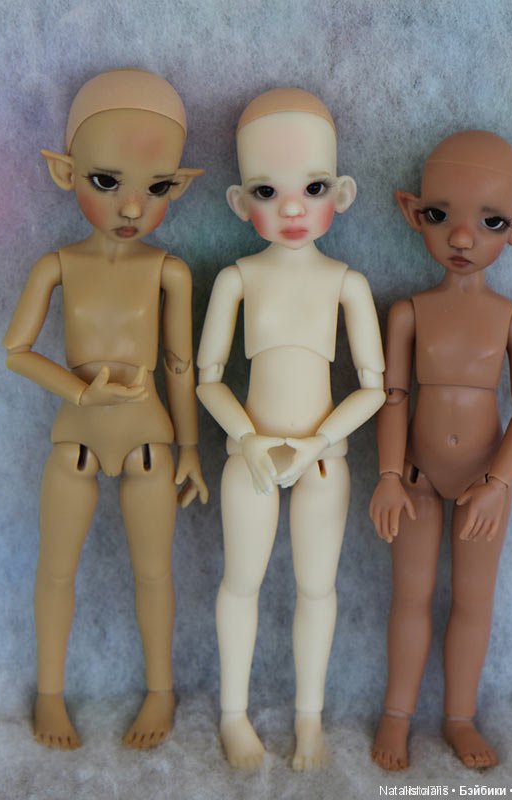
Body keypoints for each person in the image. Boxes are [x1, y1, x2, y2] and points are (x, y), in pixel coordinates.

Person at [3, 69, 208, 750]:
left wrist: (190, 449)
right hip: (77, 442)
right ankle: (49, 694)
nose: (132, 207)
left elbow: (179, 366)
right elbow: (16, 351)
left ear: (177, 186)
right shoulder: (55, 265)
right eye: (106, 181)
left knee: (155, 572)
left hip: (150, 445)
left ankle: (161, 690)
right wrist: (80, 392)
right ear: (66, 173)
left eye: (156, 188)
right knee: (56, 569)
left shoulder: (169, 270)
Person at [197, 88, 385, 770]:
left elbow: (374, 388)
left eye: (313, 188)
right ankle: (234, 716)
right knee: (239, 583)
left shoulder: (346, 283)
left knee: (317, 588)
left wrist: (317, 443)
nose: (294, 209)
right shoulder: (238, 279)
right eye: (267, 191)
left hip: (323, 462)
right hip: (250, 458)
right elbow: (208, 378)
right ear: (239, 202)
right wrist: (249, 439)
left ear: (343, 192)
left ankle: (311, 721)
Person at [369, 130, 512, 770]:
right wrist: (389, 474)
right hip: (416, 479)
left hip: (481, 483)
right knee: (410, 597)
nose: (463, 238)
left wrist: (497, 483)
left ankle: (459, 716)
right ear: (413, 211)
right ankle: (396, 714)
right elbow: (393, 396)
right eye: (441, 216)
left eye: (491, 221)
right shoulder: (409, 312)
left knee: (473, 601)